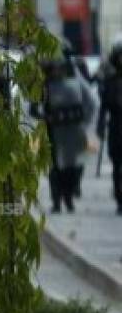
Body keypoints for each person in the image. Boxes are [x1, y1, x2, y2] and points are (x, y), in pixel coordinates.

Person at [37, 52, 95, 213]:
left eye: (60, 68)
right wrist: (45, 116)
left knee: (71, 167)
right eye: (54, 68)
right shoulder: (45, 86)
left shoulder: (75, 83)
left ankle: (68, 198)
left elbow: (89, 103)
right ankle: (56, 201)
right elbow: (34, 108)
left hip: (72, 131)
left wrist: (84, 122)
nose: (58, 71)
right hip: (52, 132)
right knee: (54, 168)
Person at [97, 37, 122, 215]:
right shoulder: (110, 81)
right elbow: (104, 106)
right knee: (116, 165)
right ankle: (119, 198)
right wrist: (99, 126)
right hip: (115, 126)